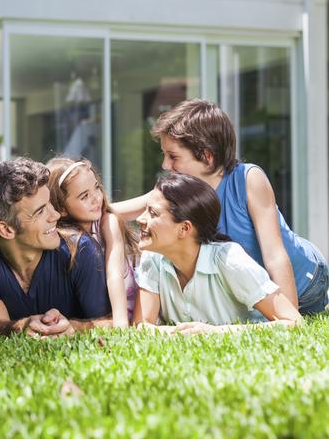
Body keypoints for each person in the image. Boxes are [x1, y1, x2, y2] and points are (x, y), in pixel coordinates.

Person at [116, 99, 328, 315]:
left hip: (304, 283)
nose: (165, 165)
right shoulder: (181, 188)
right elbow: (133, 206)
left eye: (174, 156)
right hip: (256, 289)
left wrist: (288, 315)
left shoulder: (248, 180)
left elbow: (275, 256)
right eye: (165, 155)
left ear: (207, 157)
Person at [0, 156, 139, 328]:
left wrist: (73, 328)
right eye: (40, 211)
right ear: (5, 230)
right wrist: (22, 327)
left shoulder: (82, 247)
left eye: (50, 204)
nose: (56, 215)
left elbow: (110, 324)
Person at [134, 172, 302, 334]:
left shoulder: (230, 260)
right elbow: (142, 326)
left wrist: (215, 332)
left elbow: (294, 322)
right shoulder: (153, 256)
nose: (139, 219)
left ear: (184, 228)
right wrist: (176, 332)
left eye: (153, 213)